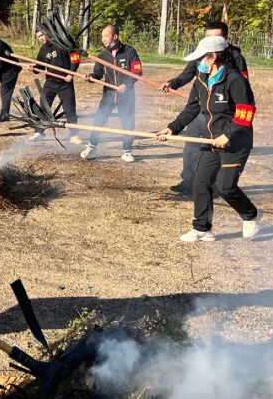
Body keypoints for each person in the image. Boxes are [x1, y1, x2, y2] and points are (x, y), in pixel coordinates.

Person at [155, 35, 259, 242]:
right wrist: (172, 128)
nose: (198, 63)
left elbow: (246, 113)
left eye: (201, 58)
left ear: (213, 57)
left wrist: (227, 135)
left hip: (236, 143)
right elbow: (192, 108)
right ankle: (202, 228)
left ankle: (250, 215)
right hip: (210, 140)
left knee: (225, 187)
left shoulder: (235, 80)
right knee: (201, 181)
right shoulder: (201, 80)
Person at [160, 20, 248, 195]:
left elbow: (243, 95)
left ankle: (217, 186)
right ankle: (188, 181)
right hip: (201, 110)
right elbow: (188, 75)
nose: (209, 41)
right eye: (206, 37)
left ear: (224, 39)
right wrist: (173, 84)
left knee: (219, 151)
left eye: (214, 38)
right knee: (191, 145)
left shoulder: (235, 59)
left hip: (223, 115)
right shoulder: (202, 56)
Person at [80, 25, 141, 162]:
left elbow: (137, 72)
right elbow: (97, 74)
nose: (103, 39)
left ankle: (127, 151)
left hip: (126, 96)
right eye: (102, 37)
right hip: (108, 95)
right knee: (99, 120)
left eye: (106, 36)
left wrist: (127, 84)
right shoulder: (103, 55)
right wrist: (90, 77)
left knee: (128, 122)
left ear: (115, 37)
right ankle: (91, 146)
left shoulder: (130, 52)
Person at [29, 28, 82, 144]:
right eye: (38, 37)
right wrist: (33, 68)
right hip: (50, 82)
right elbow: (40, 66)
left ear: (48, 33)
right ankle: (39, 132)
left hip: (65, 83)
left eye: (42, 35)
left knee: (70, 109)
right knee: (43, 107)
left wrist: (71, 73)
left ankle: (74, 135)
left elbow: (75, 58)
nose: (41, 38)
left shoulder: (61, 44)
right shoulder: (43, 49)